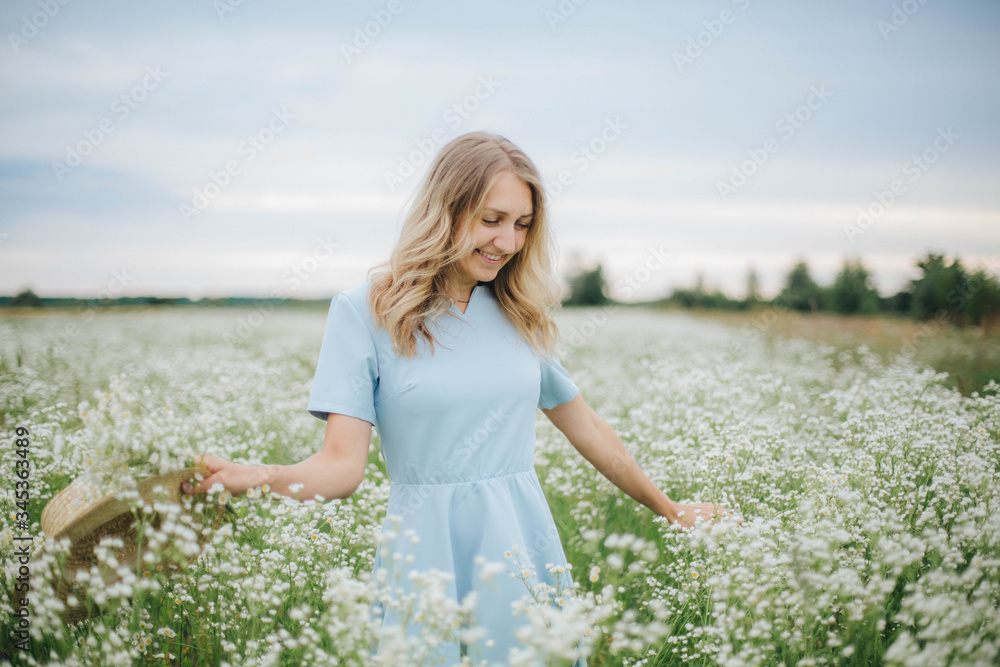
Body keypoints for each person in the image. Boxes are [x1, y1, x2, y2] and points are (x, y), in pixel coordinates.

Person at [183, 131, 734, 665]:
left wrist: (668, 509)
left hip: (525, 547)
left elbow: (586, 427)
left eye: (521, 225)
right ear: (443, 210)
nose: (507, 242)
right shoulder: (363, 313)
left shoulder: (520, 314)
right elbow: (340, 468)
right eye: (490, 220)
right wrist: (256, 477)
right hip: (426, 556)